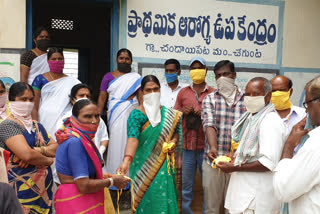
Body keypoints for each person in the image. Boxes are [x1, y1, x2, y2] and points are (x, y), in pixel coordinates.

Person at [217, 77, 286, 214]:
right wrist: (235, 157)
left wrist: (235, 166)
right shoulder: (251, 117)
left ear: (268, 96)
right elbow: (252, 153)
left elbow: (268, 162)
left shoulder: (270, 121)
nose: (250, 98)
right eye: (248, 94)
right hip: (244, 195)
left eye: (256, 94)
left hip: (255, 199)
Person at [117, 75, 183, 213]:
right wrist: (126, 161)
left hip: (164, 165)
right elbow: (132, 139)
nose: (152, 93)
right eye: (148, 90)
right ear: (142, 92)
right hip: (143, 166)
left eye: (155, 89)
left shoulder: (169, 114)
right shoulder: (136, 115)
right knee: (147, 199)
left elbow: (176, 132)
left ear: (160, 90)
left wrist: (174, 141)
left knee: (165, 197)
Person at [54, 99, 130, 214]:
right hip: (77, 202)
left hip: (77, 200)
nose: (94, 121)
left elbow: (77, 174)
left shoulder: (80, 138)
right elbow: (83, 185)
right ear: (74, 118)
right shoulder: (75, 142)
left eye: (97, 116)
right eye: (87, 116)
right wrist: (111, 181)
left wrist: (105, 176)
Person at [0, 82, 58, 214]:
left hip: (43, 194)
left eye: (31, 99)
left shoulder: (37, 126)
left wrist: (38, 151)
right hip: (19, 193)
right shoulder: (8, 126)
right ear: (12, 100)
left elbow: (56, 148)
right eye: (23, 99)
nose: (27, 103)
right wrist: (48, 160)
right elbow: (27, 155)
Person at [201, 60, 246, 214]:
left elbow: (249, 129)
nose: (222, 78)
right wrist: (213, 148)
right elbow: (209, 124)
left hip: (239, 164)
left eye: (225, 74)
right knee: (211, 208)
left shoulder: (247, 99)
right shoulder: (210, 99)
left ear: (234, 75)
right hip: (213, 161)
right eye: (218, 75)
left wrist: (236, 154)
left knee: (233, 209)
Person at [273, 76, 320, 214]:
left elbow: (284, 190)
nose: (306, 111)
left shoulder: (316, 143)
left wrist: (289, 145)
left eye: (308, 104)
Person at [174, 57, 214, 214]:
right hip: (187, 147)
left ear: (206, 70)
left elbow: (218, 117)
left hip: (207, 148)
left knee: (208, 187)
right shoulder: (183, 92)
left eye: (199, 67)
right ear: (189, 71)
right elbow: (174, 114)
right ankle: (186, 212)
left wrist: (204, 113)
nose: (196, 70)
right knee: (186, 186)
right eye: (193, 68)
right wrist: (182, 112)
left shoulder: (213, 93)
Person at [97, 48, 142, 183]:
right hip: (115, 112)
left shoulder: (137, 78)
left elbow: (141, 98)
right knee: (116, 143)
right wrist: (97, 117)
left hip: (131, 111)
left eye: (127, 58)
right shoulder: (108, 77)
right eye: (121, 58)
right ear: (116, 60)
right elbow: (102, 97)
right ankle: (114, 176)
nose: (124, 61)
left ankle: (130, 178)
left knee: (131, 139)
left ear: (131, 61)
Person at [270, 75, 306, 214]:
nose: (277, 94)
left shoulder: (304, 116)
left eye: (282, 90)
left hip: (295, 176)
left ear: (290, 92)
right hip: (268, 176)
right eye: (273, 91)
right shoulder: (264, 116)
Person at [56, 83, 109, 170]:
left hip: (97, 163)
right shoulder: (65, 120)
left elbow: (104, 138)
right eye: (81, 95)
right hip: (74, 166)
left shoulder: (97, 118)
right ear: (73, 99)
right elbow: (60, 142)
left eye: (87, 96)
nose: (85, 98)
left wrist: (100, 152)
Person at [31, 47, 80, 138]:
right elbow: (34, 105)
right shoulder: (39, 79)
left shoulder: (73, 82)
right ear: (48, 61)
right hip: (44, 119)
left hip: (64, 122)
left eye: (60, 59)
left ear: (64, 60)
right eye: (54, 59)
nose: (57, 61)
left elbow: (79, 103)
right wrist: (36, 126)